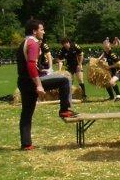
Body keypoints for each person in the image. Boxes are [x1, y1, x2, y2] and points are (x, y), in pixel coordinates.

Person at [16, 19, 77, 150]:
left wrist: (41, 72)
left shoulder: (23, 43)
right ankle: (64, 110)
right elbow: (31, 65)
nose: (43, 32)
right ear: (34, 31)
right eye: (41, 29)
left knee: (26, 113)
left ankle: (26, 144)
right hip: (32, 82)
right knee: (64, 81)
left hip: (22, 82)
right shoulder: (33, 43)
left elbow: (28, 66)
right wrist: (39, 85)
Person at [55, 37, 87, 102]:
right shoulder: (63, 50)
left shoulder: (75, 46)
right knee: (69, 81)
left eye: (66, 44)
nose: (65, 46)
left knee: (80, 79)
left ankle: (84, 96)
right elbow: (59, 60)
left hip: (77, 64)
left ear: (68, 43)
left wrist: (80, 65)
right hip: (69, 66)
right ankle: (69, 96)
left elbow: (81, 54)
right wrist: (59, 70)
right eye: (63, 44)